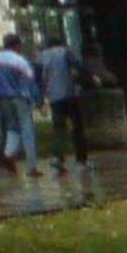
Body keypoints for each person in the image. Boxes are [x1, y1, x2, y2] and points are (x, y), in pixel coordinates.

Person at [0, 34, 43, 178]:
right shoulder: (20, 60)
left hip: (1, 99)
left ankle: (8, 154)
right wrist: (37, 100)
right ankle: (32, 167)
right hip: (19, 98)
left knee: (12, 128)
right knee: (27, 130)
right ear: (17, 45)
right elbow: (30, 81)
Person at [37, 29, 90, 172]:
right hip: (70, 94)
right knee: (77, 127)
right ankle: (81, 160)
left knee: (59, 128)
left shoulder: (42, 57)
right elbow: (78, 66)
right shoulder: (65, 52)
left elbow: (40, 78)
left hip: (54, 97)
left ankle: (58, 158)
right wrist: (89, 77)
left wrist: (41, 99)